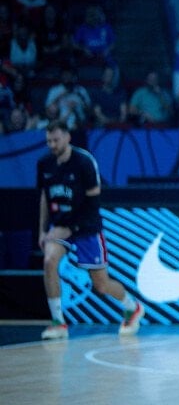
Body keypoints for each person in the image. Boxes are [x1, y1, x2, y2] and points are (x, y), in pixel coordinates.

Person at [36, 120, 144, 340]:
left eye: (56, 140)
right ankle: (58, 322)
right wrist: (42, 231)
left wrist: (72, 228)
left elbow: (93, 203)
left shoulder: (84, 162)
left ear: (67, 137)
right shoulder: (45, 163)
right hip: (61, 225)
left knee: (101, 285)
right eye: (49, 141)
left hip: (86, 226)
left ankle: (132, 307)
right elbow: (45, 198)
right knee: (49, 261)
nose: (52, 145)